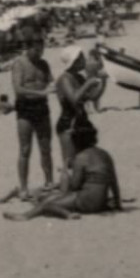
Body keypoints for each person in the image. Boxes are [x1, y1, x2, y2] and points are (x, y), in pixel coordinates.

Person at [4, 126, 122, 220]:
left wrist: (65, 172)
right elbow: (114, 181)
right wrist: (117, 203)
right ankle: (41, 210)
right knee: (50, 199)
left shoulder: (81, 157)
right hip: (101, 202)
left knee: (48, 204)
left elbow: (74, 186)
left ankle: (27, 216)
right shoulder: (105, 154)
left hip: (85, 201)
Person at [9, 36, 55, 199]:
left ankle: (49, 182)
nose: (39, 53)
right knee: (25, 149)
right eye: (36, 50)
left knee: (46, 147)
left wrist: (51, 87)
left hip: (42, 107)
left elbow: (51, 82)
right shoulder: (19, 63)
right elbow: (18, 89)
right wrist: (40, 92)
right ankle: (23, 187)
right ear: (28, 48)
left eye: (42, 49)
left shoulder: (43, 64)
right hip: (25, 108)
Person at [55, 47, 102, 182]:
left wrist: (102, 82)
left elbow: (92, 97)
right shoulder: (64, 79)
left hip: (80, 122)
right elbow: (74, 98)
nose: (84, 59)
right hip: (68, 124)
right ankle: (67, 193)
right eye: (81, 57)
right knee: (70, 163)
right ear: (74, 61)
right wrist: (88, 83)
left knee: (83, 161)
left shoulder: (78, 77)